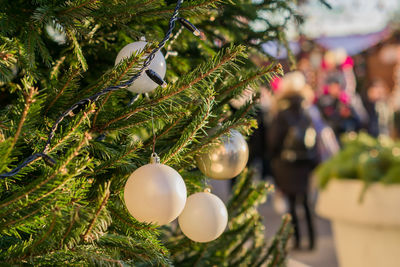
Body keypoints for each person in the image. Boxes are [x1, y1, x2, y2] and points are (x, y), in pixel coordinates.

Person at [268, 72, 317, 250]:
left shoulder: (281, 111)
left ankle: (296, 240)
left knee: (291, 204)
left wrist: (272, 158)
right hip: (305, 162)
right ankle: (312, 241)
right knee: (305, 202)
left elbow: (274, 139)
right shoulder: (307, 109)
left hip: (286, 164)